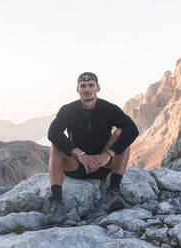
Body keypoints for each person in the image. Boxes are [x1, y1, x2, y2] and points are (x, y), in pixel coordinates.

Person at [45, 72, 139, 225]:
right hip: (76, 166)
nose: (87, 89)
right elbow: (53, 132)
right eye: (83, 86)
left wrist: (107, 155)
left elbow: (132, 129)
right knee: (55, 145)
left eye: (90, 85)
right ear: (78, 90)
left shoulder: (109, 108)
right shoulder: (68, 110)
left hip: (103, 165)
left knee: (122, 134)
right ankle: (56, 203)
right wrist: (80, 154)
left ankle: (113, 192)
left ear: (98, 88)